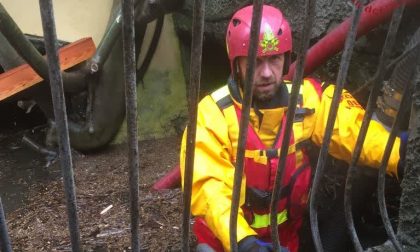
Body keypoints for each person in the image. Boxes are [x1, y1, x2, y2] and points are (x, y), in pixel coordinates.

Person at [180, 4, 402, 252]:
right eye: (255, 61)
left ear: (286, 60)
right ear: (237, 65)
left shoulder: (308, 99)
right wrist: (243, 241)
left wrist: (402, 155)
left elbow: (355, 132)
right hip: (227, 243)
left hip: (284, 241)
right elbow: (208, 187)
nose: (266, 73)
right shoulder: (212, 115)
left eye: (274, 59)